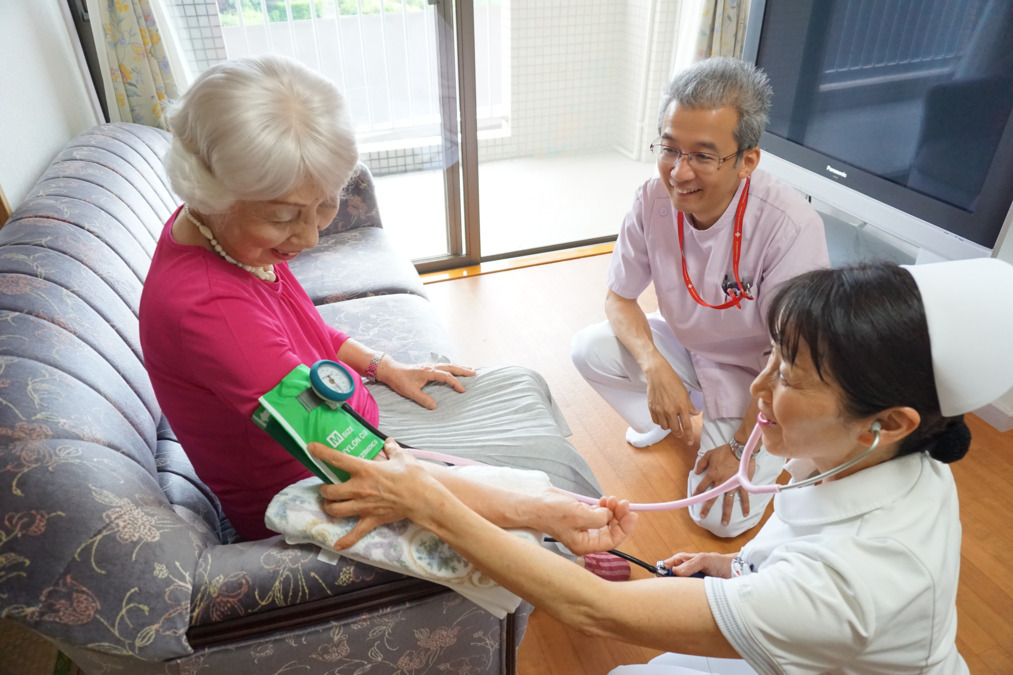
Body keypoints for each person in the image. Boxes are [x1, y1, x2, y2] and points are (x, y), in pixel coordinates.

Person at [312, 257, 1013, 674]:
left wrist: (428, 503)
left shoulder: (859, 583)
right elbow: (803, 547)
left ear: (886, 423)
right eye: (769, 356)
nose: (759, 390)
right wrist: (735, 568)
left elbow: (594, 605)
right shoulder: (880, 458)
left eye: (791, 376)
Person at [138, 54, 606, 547]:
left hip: (343, 426)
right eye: (283, 217)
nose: (310, 237)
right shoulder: (210, 310)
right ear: (208, 190)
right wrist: (532, 509)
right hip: (321, 484)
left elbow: (300, 330)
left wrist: (383, 366)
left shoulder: (215, 233)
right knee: (549, 488)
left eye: (324, 204)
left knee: (520, 387)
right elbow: (355, 457)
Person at [570, 57, 830, 537]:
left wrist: (736, 448)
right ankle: (679, 418)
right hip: (689, 349)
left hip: (761, 379)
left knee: (716, 522)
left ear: (747, 160)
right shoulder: (651, 199)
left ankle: (754, 445)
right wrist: (655, 367)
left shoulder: (789, 227)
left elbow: (793, 362)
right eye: (669, 148)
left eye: (703, 156)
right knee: (589, 349)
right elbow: (618, 299)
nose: (678, 172)